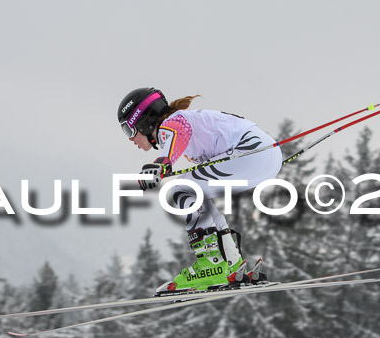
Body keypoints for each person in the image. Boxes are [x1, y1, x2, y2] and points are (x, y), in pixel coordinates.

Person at [117, 87, 282, 294]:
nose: (131, 139)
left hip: (251, 150)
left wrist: (162, 164)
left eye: (128, 130)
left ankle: (211, 265)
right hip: (265, 155)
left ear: (143, 121)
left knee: (182, 189)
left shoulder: (173, 122)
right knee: (195, 192)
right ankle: (230, 263)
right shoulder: (184, 124)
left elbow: (178, 131)